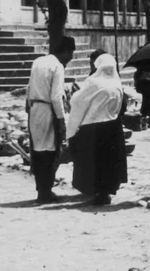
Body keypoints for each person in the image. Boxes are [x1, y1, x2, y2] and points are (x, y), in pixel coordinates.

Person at [67, 52, 129, 206]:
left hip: (94, 127)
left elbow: (78, 101)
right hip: (113, 127)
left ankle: (96, 191)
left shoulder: (94, 82)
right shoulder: (117, 84)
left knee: (95, 161)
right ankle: (106, 192)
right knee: (109, 162)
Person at [26, 36, 75, 205]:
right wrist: (61, 120)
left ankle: (42, 190)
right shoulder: (58, 66)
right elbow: (56, 97)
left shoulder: (38, 61)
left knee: (38, 150)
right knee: (49, 151)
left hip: (34, 109)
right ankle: (46, 192)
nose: (71, 58)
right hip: (47, 110)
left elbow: (29, 87)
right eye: (71, 53)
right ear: (66, 51)